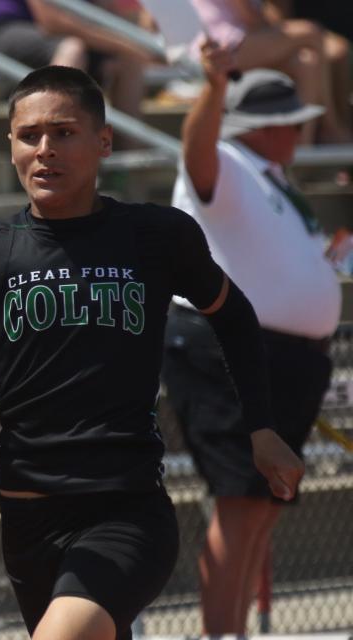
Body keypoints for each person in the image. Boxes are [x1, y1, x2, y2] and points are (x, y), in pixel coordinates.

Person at [0, 65, 304, 640]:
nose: (45, 150)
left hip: (125, 511)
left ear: (104, 141)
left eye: (63, 132)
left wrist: (260, 427)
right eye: (29, 135)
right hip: (27, 515)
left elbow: (232, 315)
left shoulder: (156, 235)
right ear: (9, 145)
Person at [163, 43, 340, 636]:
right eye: (287, 123)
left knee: (260, 507)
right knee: (241, 506)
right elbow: (196, 152)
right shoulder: (227, 163)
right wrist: (213, 89)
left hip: (280, 357)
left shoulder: (269, 177)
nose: (298, 132)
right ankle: (221, 634)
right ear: (260, 128)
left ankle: (230, 632)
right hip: (234, 353)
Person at [0, 0, 155, 127]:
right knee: (72, 48)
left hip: (40, 36)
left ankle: (129, 161)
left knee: (130, 58)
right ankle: (56, 135)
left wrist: (136, 46)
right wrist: (132, 45)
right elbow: (52, 22)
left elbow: (112, 20)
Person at [189, 0, 350, 143]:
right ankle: (330, 125)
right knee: (311, 32)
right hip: (220, 47)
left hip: (232, 42)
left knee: (307, 62)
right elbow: (253, 19)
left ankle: (302, 143)